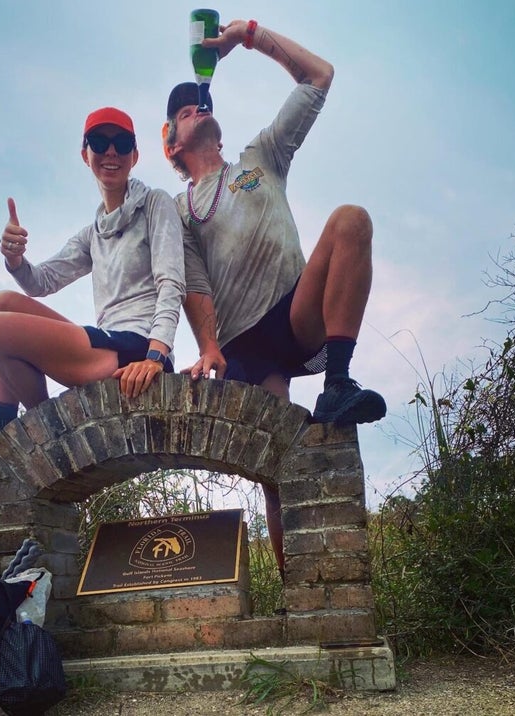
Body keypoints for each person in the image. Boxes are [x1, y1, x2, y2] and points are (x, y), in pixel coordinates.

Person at [162, 20, 385, 575]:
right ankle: (298, 590)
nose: (195, 108)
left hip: (293, 311)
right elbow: (193, 285)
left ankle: (338, 383)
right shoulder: (180, 208)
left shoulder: (260, 156)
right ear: (171, 143)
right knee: (279, 472)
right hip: (244, 344)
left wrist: (248, 36)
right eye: (181, 112)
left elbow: (319, 77)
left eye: (197, 105)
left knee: (351, 221)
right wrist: (208, 347)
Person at [0, 107, 185, 464]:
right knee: (2, 302)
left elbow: (171, 281)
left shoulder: (154, 203)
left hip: (137, 349)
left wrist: (157, 354)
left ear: (135, 155)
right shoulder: (94, 232)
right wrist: (14, 258)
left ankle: (45, 430)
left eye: (121, 143)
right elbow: (40, 282)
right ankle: (2, 428)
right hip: (107, 341)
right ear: (85, 153)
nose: (111, 152)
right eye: (99, 142)